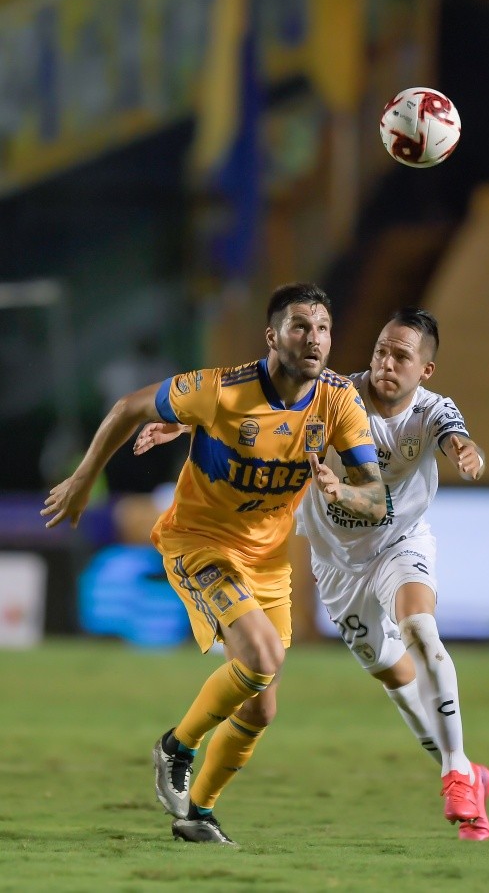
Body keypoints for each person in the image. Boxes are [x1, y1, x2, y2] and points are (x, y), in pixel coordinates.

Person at [41, 282, 386, 846]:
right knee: (260, 657)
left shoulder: (338, 403)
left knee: (260, 709)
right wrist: (83, 481)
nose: (315, 338)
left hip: (269, 560)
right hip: (199, 542)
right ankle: (176, 747)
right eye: (301, 326)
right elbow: (129, 406)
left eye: (323, 328)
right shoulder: (220, 390)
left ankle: (196, 813)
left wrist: (341, 492)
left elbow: (375, 496)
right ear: (272, 335)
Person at [139, 307, 489, 841]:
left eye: (401, 355)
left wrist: (467, 450)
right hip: (335, 564)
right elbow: (252, 402)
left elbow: (456, 439)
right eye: (380, 349)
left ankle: (456, 770)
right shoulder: (335, 396)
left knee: (420, 629)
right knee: (394, 679)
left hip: (400, 544)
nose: (385, 363)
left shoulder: (434, 411)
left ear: (426, 370)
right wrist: (184, 419)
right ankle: (467, 772)